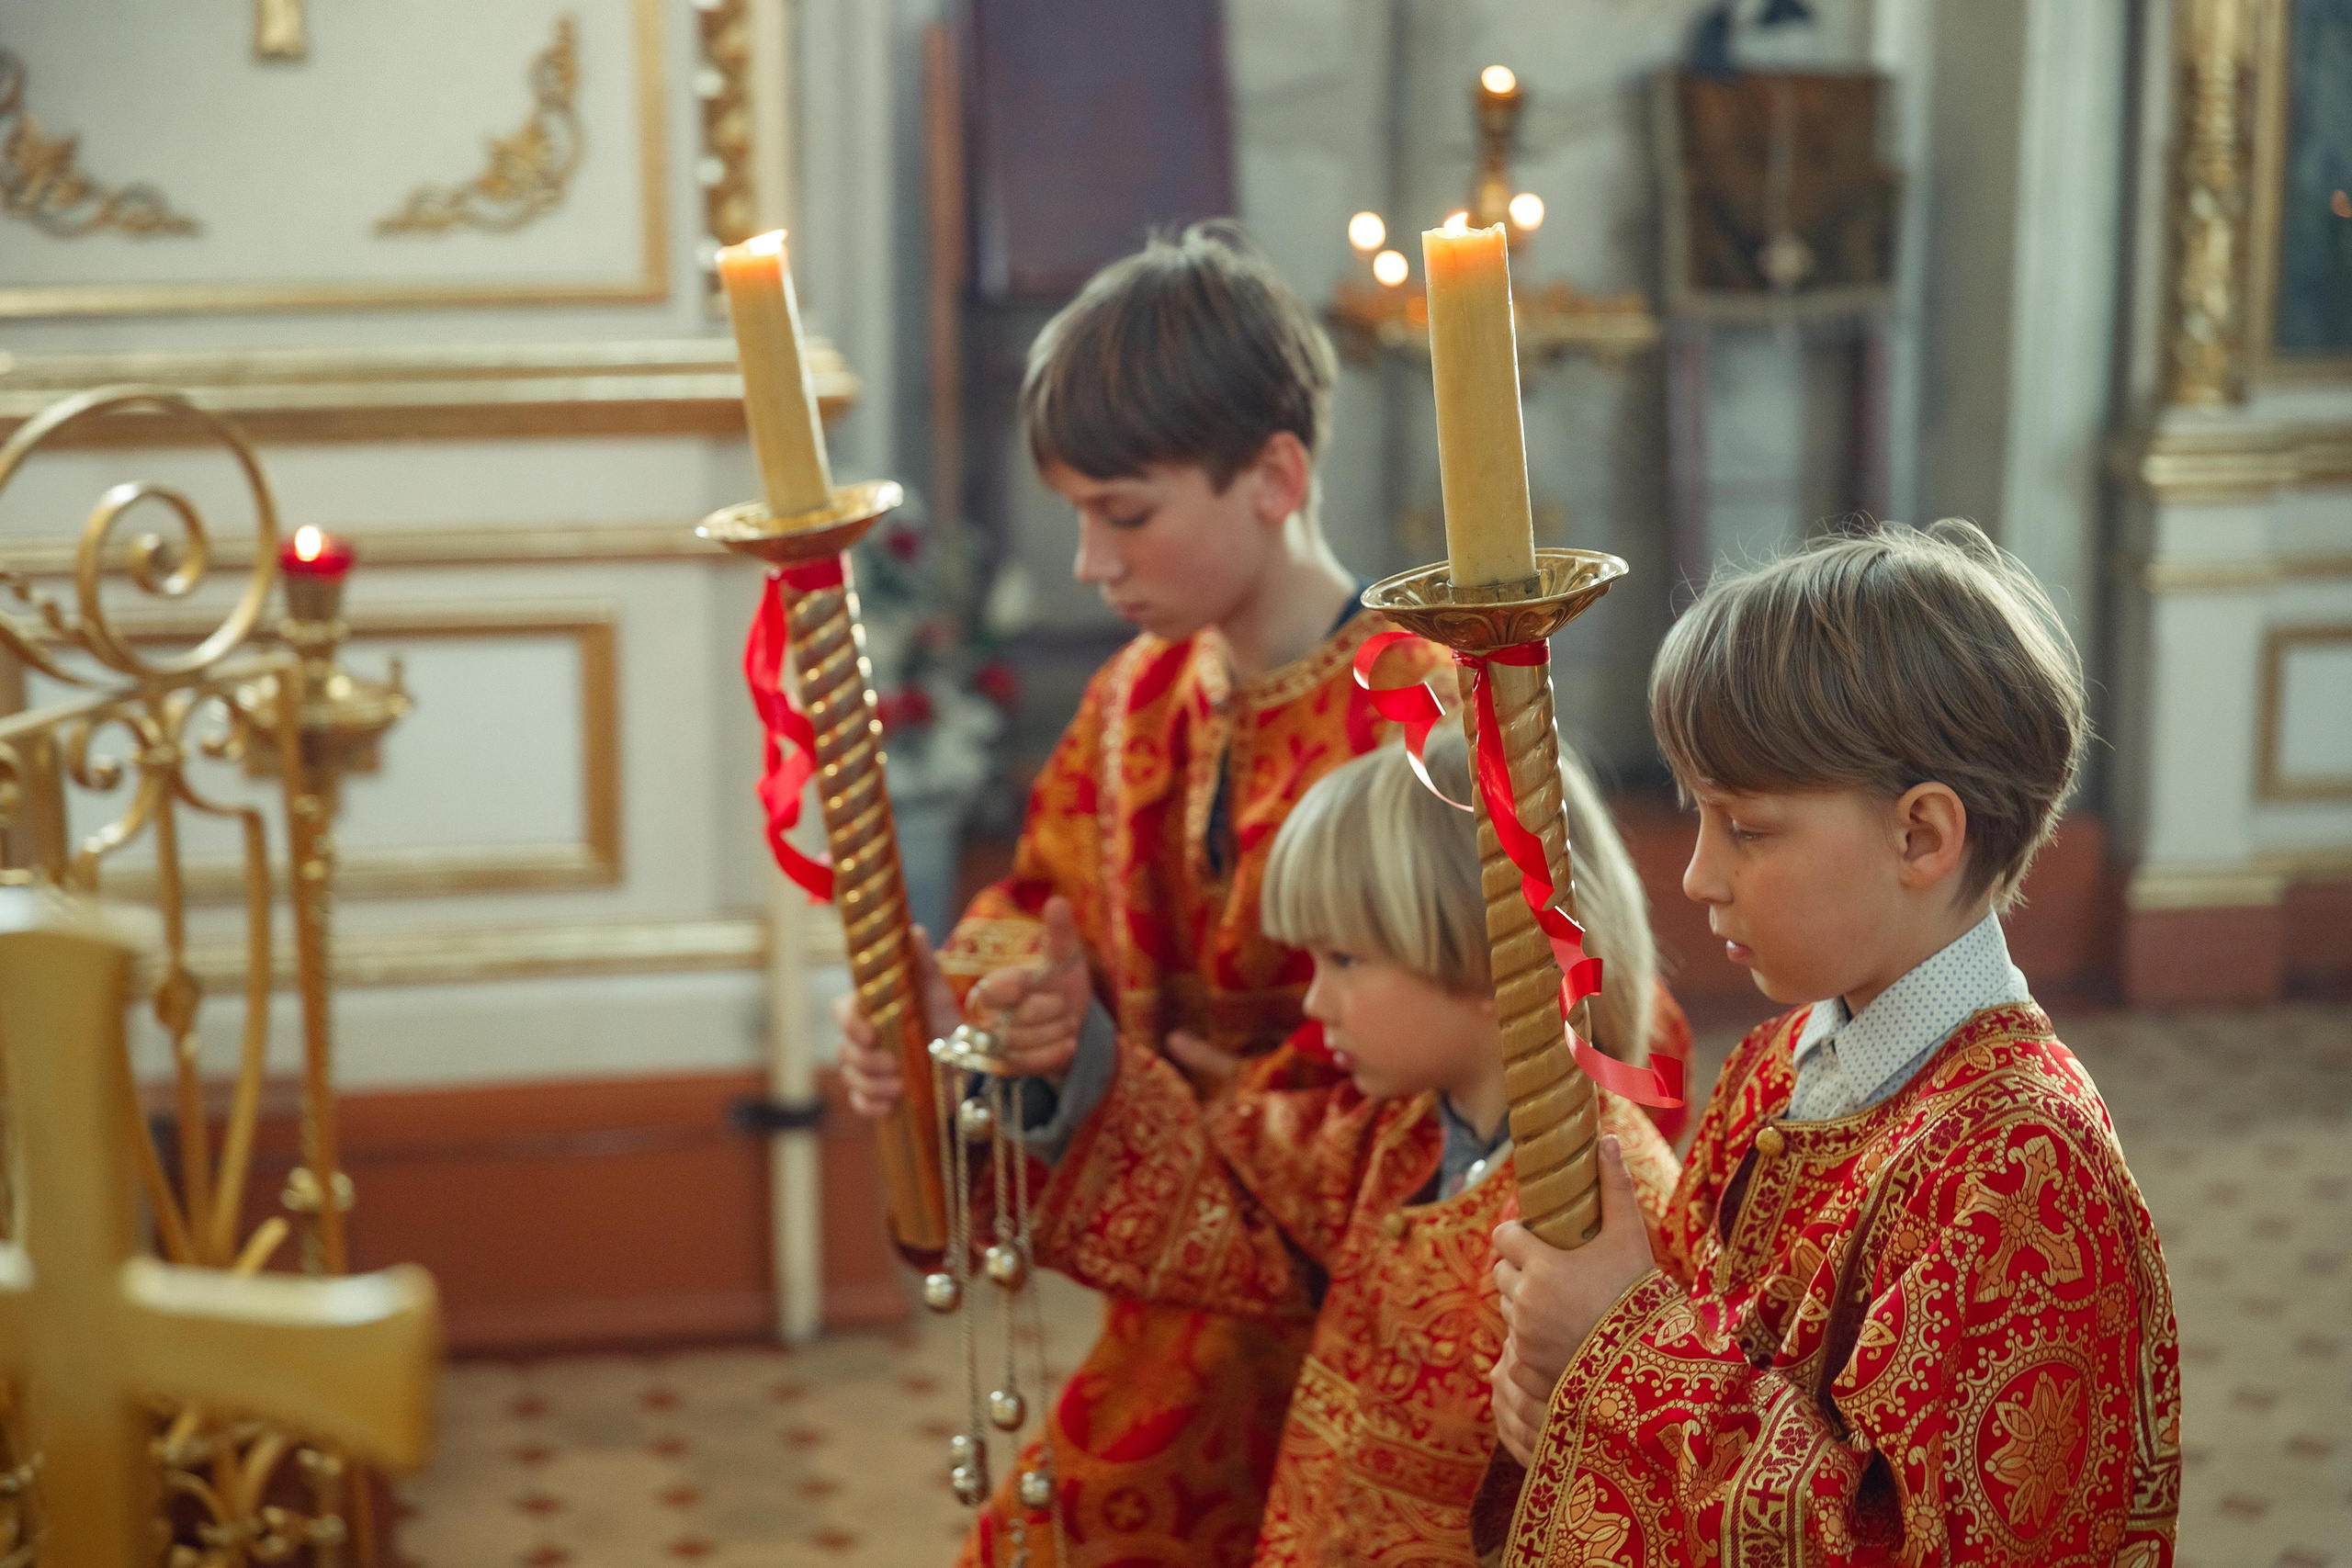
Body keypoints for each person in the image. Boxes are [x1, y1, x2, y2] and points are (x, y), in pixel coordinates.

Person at [837, 222, 1632, 1567]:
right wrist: (979, 1017)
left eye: (1125, 512)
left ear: (1274, 475)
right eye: (1078, 514)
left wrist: (1209, 1100)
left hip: (1384, 1324)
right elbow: (1037, 908)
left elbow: (1563, 1023)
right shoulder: (1132, 700)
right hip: (1185, 1307)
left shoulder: (1429, 709)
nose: (1091, 561)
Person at [1483, 521, 2181, 1566]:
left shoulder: (2026, 1169)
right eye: (1698, 818)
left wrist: (1618, 1342)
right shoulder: (1774, 1067)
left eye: (1747, 829)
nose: (1698, 876)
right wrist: (1568, 1405)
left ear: (1921, 836)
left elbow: (1906, 1545)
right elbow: (1690, 1374)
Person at [847, 730, 1690, 1566]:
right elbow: (1220, 1190)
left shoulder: (1608, 1213)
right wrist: (1064, 1063)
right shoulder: (1387, 1134)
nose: (1315, 1001)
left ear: (1491, 957)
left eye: (1346, 959)